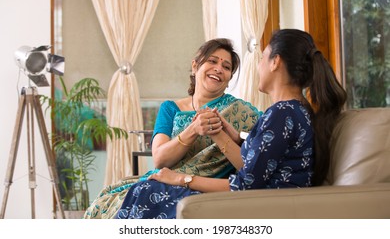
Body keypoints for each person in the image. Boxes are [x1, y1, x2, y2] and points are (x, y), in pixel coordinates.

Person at [114, 29, 347, 219]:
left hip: (263, 206)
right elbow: (259, 161)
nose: (258, 66)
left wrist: (181, 179)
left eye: (263, 57)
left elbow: (246, 182)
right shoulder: (292, 110)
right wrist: (229, 136)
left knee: (145, 191)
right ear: (195, 66)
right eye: (212, 61)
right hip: (264, 200)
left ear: (275, 62)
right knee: (145, 189)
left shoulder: (281, 113)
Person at [83, 38, 261, 218]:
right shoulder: (170, 108)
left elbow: (258, 156)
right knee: (114, 201)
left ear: (229, 78)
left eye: (226, 67)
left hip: (209, 187)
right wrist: (193, 130)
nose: (218, 69)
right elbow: (160, 159)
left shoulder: (241, 112)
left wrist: (227, 134)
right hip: (166, 180)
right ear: (195, 66)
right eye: (212, 61)